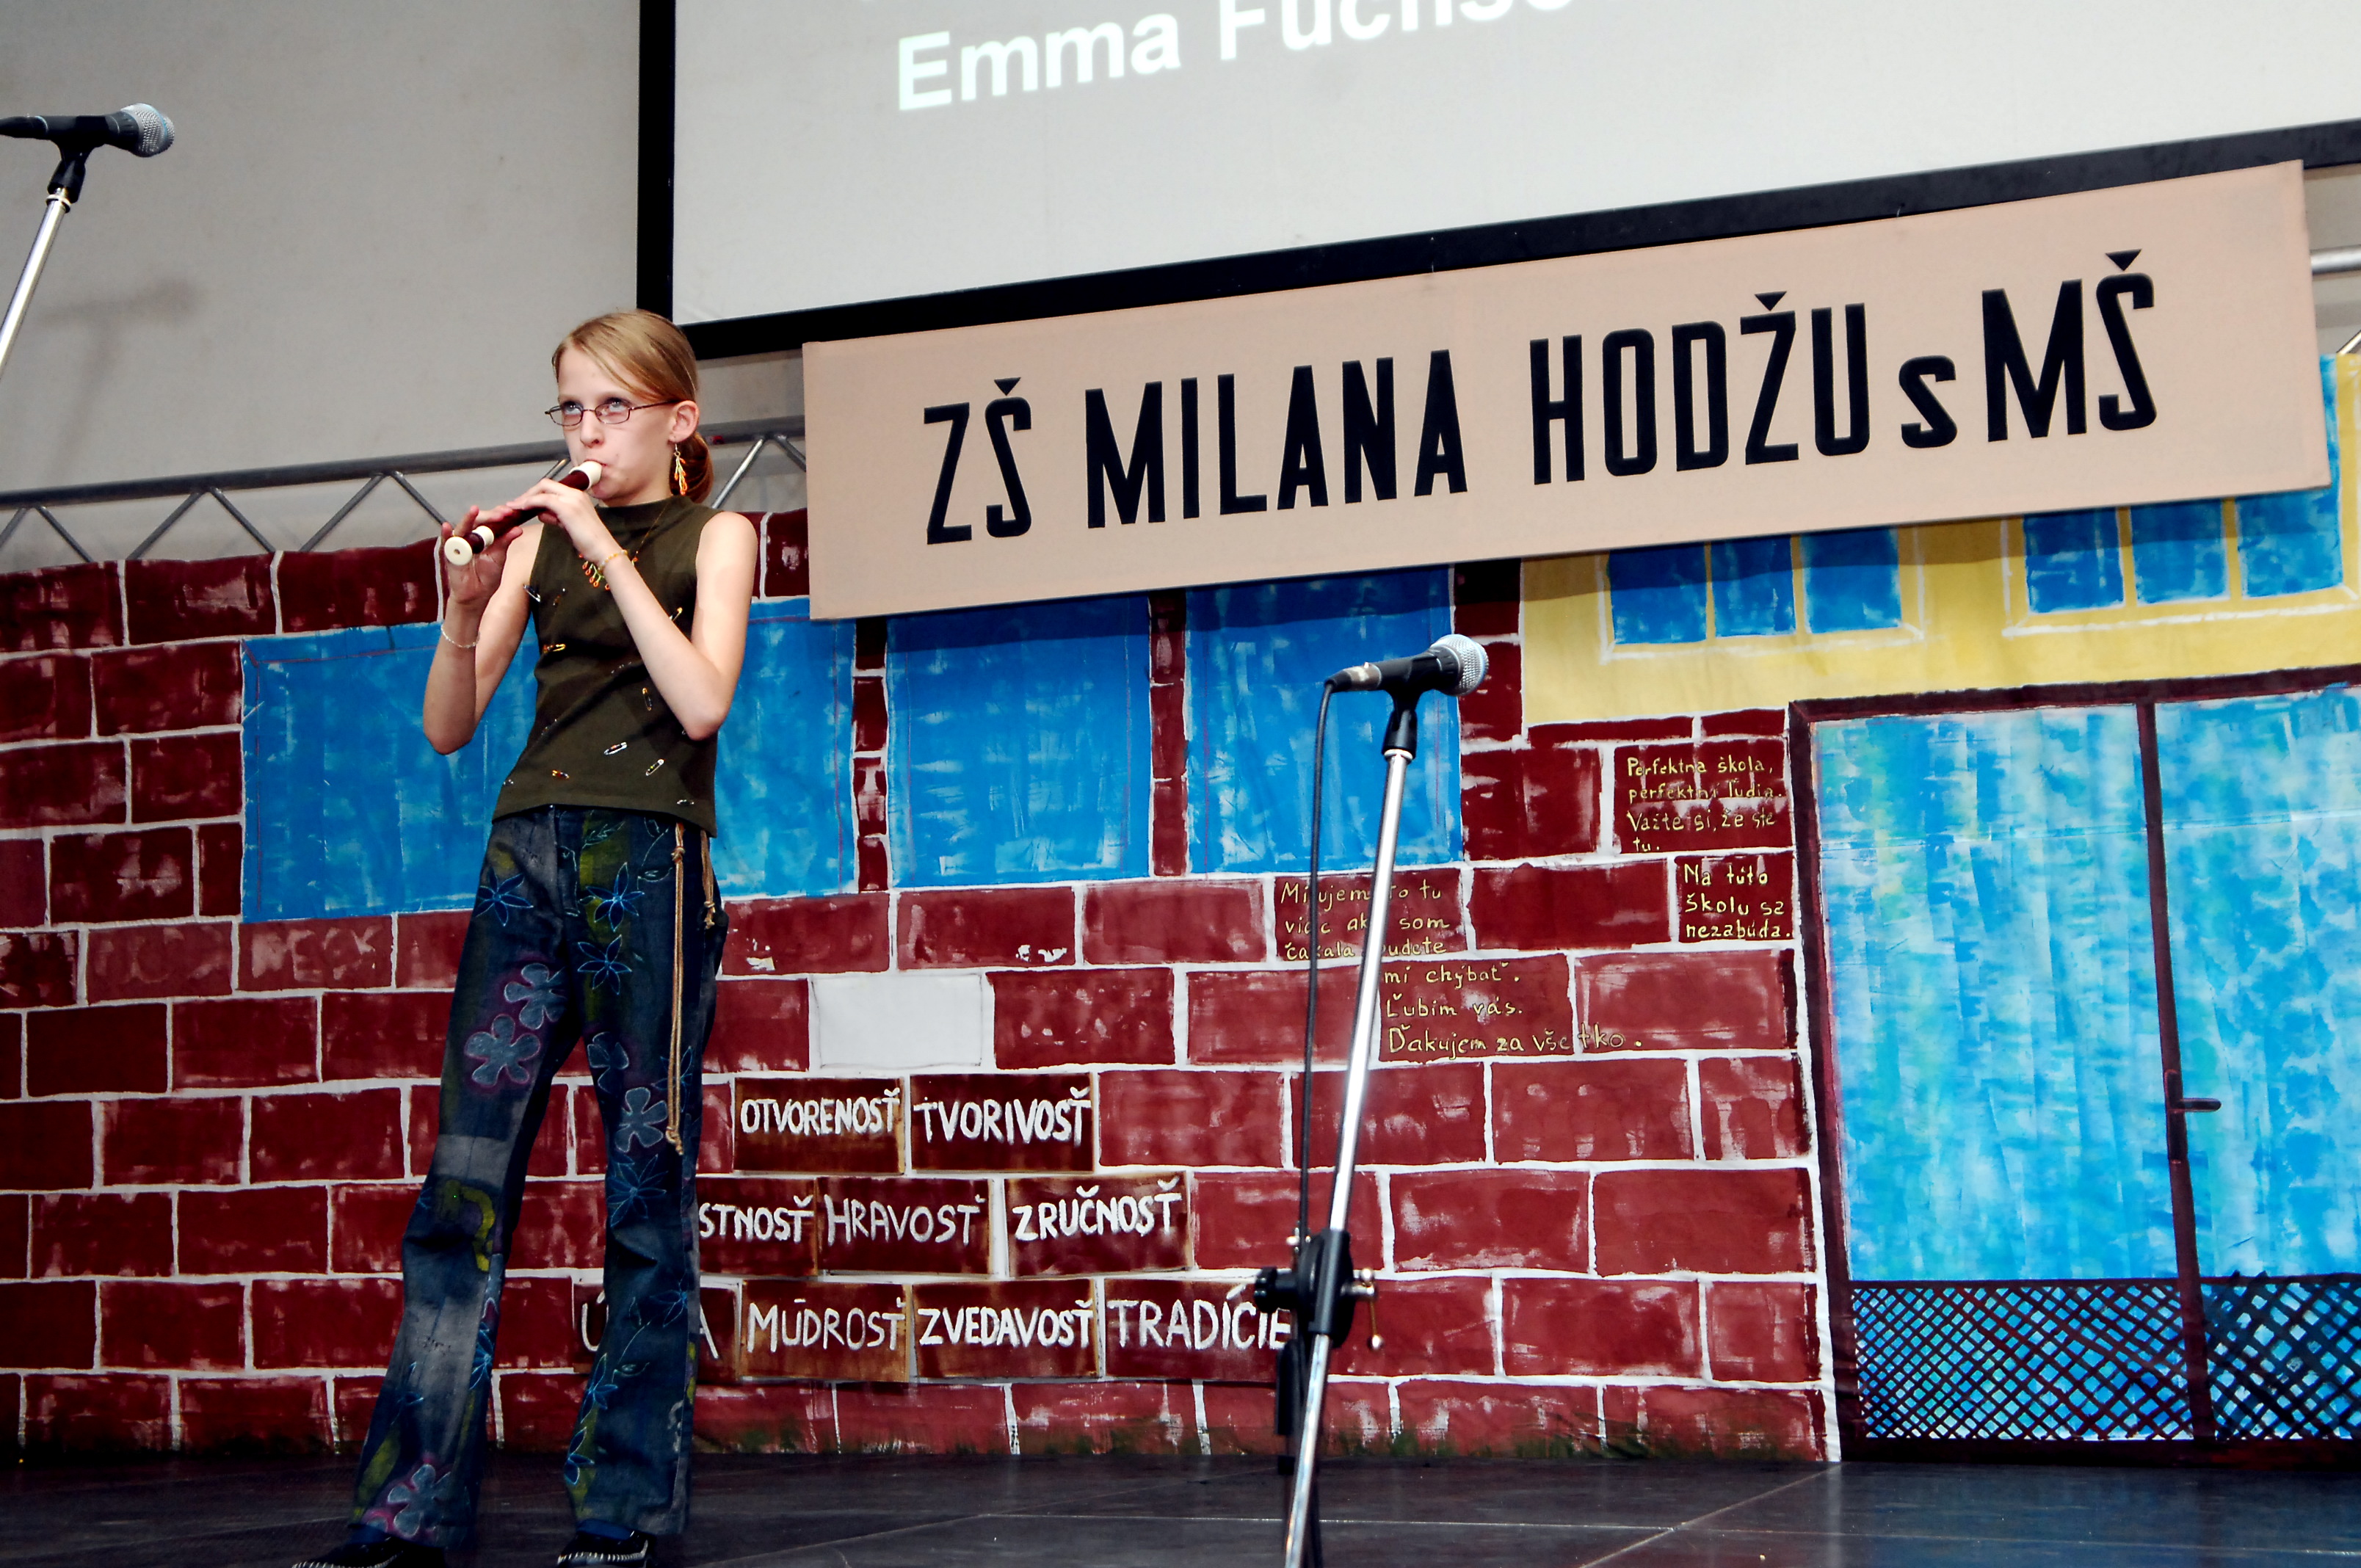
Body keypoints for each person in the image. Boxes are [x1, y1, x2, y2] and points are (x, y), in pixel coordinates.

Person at [299, 310, 759, 1568]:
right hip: (526, 861)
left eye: (614, 409)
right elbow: (450, 724)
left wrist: (599, 544)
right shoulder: (540, 544)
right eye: (572, 409)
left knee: (646, 1188)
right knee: (461, 1187)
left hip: (648, 862)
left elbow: (702, 699)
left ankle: (624, 1505)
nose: (587, 433)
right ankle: (406, 1509)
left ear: (677, 419)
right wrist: (465, 605)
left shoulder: (716, 534)